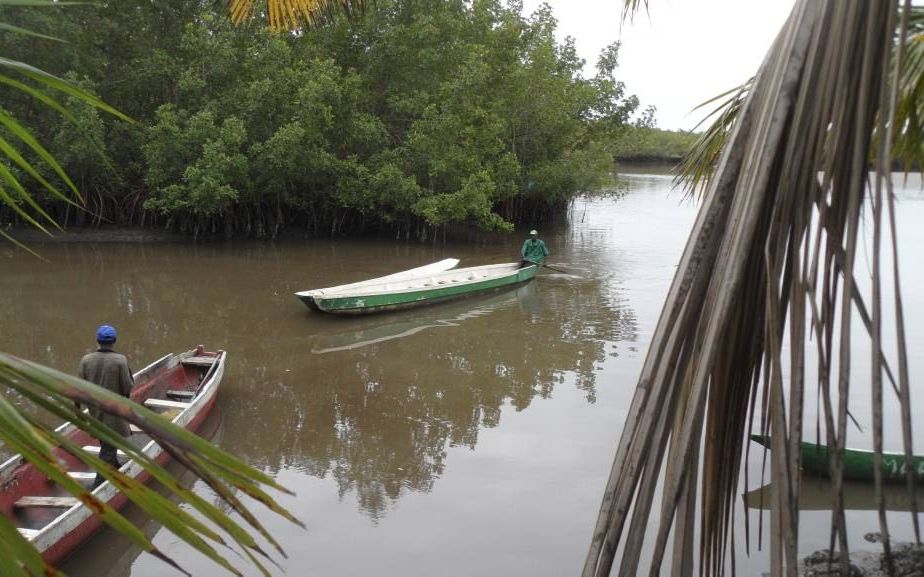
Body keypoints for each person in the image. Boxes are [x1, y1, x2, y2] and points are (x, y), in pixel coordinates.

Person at [78, 324, 134, 489]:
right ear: (114, 341)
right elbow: (127, 388)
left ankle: (114, 464)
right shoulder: (120, 360)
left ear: (98, 340)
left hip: (94, 410)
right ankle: (99, 485)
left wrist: (79, 413)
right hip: (114, 412)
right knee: (108, 446)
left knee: (107, 442)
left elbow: (78, 388)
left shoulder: (86, 360)